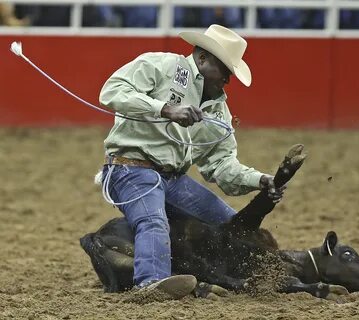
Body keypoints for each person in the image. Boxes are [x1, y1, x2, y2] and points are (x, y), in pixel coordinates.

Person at [98, 24, 285, 299]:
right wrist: (165, 109)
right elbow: (112, 91)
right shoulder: (159, 65)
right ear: (202, 59)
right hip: (130, 167)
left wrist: (259, 180)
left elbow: (221, 165)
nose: (227, 80)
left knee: (229, 225)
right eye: (225, 70)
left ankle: (241, 277)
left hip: (172, 179)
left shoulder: (218, 110)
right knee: (153, 221)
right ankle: (150, 286)